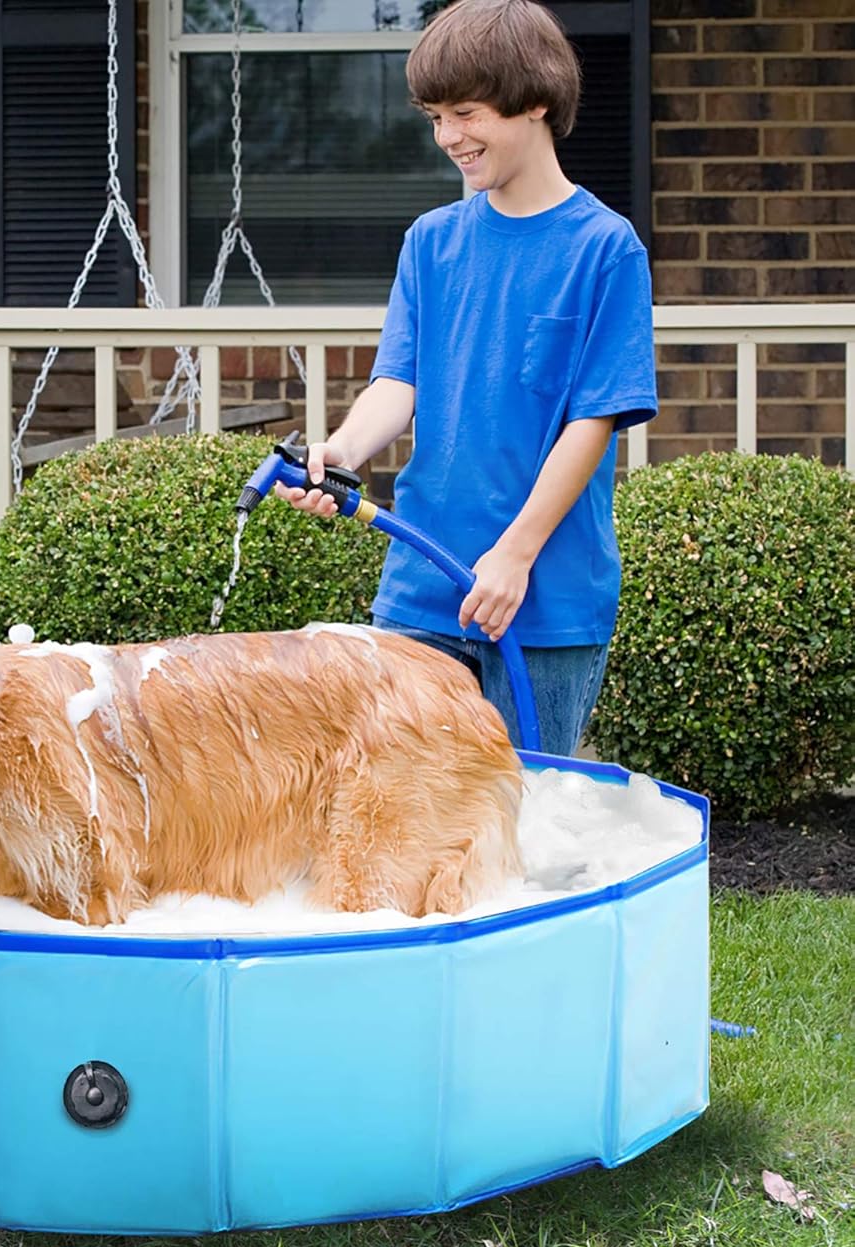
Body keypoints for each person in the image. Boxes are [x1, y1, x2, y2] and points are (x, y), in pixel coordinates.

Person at [279, 0, 657, 756]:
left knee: (528, 819)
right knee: (404, 815)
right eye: (433, 117)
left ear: (536, 101)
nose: (448, 137)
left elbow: (593, 423)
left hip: (546, 596)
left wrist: (516, 554)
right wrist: (343, 451)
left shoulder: (605, 250)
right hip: (422, 585)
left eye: (465, 113)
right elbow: (399, 383)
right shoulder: (431, 243)